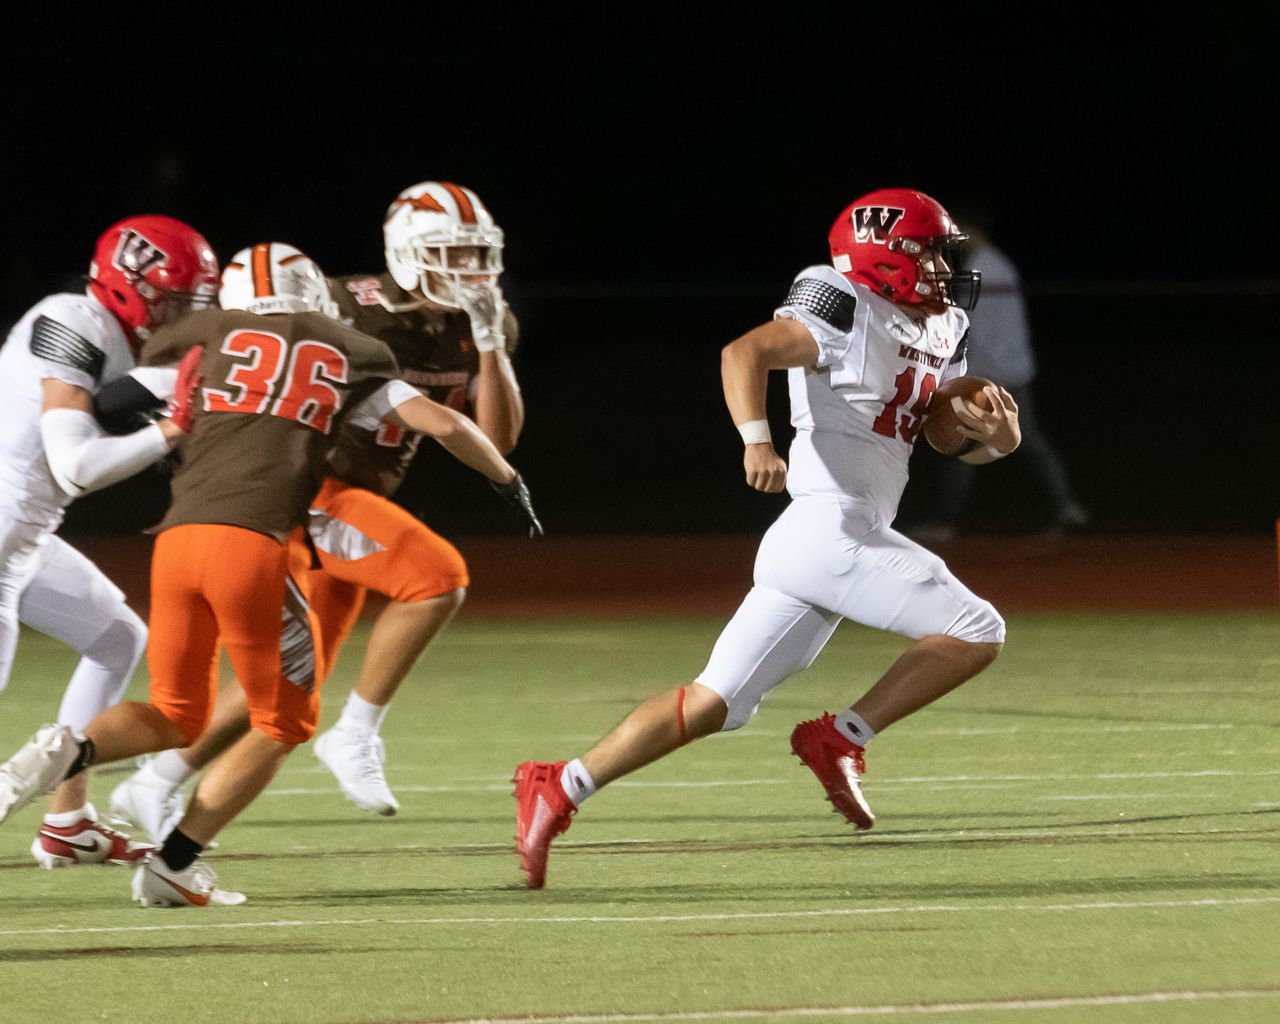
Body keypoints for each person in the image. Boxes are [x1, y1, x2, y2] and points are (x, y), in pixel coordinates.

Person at [0, 242, 541, 907]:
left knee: (176, 712)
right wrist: (507, 480)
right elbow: (447, 424)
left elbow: (110, 404)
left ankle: (66, 748)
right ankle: (174, 866)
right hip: (253, 546)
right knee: (286, 722)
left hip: (175, 543)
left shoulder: (203, 342)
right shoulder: (348, 352)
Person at [512, 188, 1021, 889]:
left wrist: (997, 438)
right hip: (828, 527)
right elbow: (744, 352)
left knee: (713, 704)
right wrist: (757, 440)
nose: (942, 266)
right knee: (977, 628)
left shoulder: (944, 324)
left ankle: (559, 784)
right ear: (885, 255)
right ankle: (840, 738)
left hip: (823, 543)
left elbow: (935, 427)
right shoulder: (841, 300)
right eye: (929, 251)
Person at [107, 181, 527, 835]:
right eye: (454, 253)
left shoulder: (480, 325)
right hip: (308, 491)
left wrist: (491, 341)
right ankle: (355, 732)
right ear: (408, 252)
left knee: (285, 684)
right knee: (433, 578)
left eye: (478, 254)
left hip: (357, 502)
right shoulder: (340, 304)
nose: (471, 270)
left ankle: (156, 781)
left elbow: (497, 437)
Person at [0, 216, 218, 869]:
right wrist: (171, 429)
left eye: (194, 304)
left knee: (116, 637)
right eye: (173, 300)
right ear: (128, 286)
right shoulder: (74, 319)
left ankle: (66, 821)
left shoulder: (134, 348)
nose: (183, 316)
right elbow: (74, 466)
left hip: (26, 535)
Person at [911, 216, 1087, 538]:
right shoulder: (1000, 265)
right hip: (1011, 368)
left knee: (962, 442)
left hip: (992, 371)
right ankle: (1066, 506)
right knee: (1022, 440)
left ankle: (945, 521)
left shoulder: (981, 269)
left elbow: (969, 327)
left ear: (972, 230)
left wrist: (963, 371)